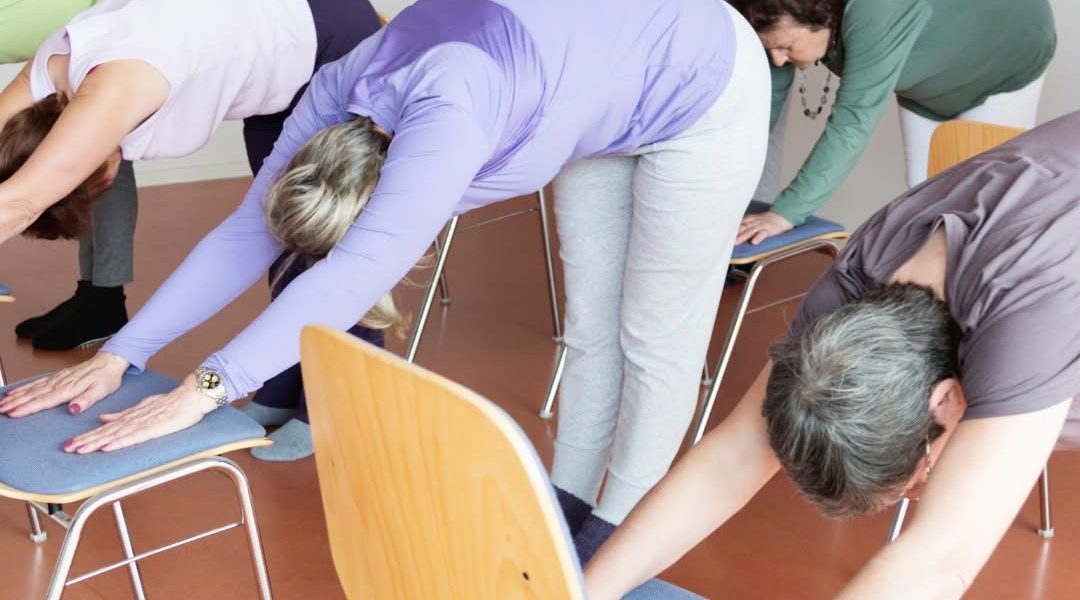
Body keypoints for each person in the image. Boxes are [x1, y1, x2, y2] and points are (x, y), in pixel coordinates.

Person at [0, 0, 770, 548]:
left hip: (701, 75)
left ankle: (621, 534)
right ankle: (568, 507)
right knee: (593, 323)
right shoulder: (338, 88)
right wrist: (120, 354)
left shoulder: (447, 128)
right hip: (595, 70)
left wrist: (202, 391)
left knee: (654, 331)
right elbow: (245, 232)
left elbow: (355, 271)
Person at [582, 110, 1080, 599]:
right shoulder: (865, 275)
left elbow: (938, 562)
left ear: (947, 402)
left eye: (920, 474)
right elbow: (734, 457)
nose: (924, 486)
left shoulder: (1031, 315)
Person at [0, 0, 382, 352]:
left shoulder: (114, 88)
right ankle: (286, 390)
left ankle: (339, 405)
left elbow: (21, 201)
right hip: (274, 55)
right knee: (281, 230)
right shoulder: (53, 67)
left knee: (328, 242)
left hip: (326, 36)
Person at [730, 0, 1056, 246]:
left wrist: (785, 212)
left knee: (990, 207)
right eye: (770, 48)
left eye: (786, 47)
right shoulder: (779, 13)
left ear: (822, 15)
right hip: (926, 84)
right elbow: (763, 106)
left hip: (1003, 64)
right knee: (924, 197)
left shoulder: (878, 10)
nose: (778, 59)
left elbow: (852, 121)